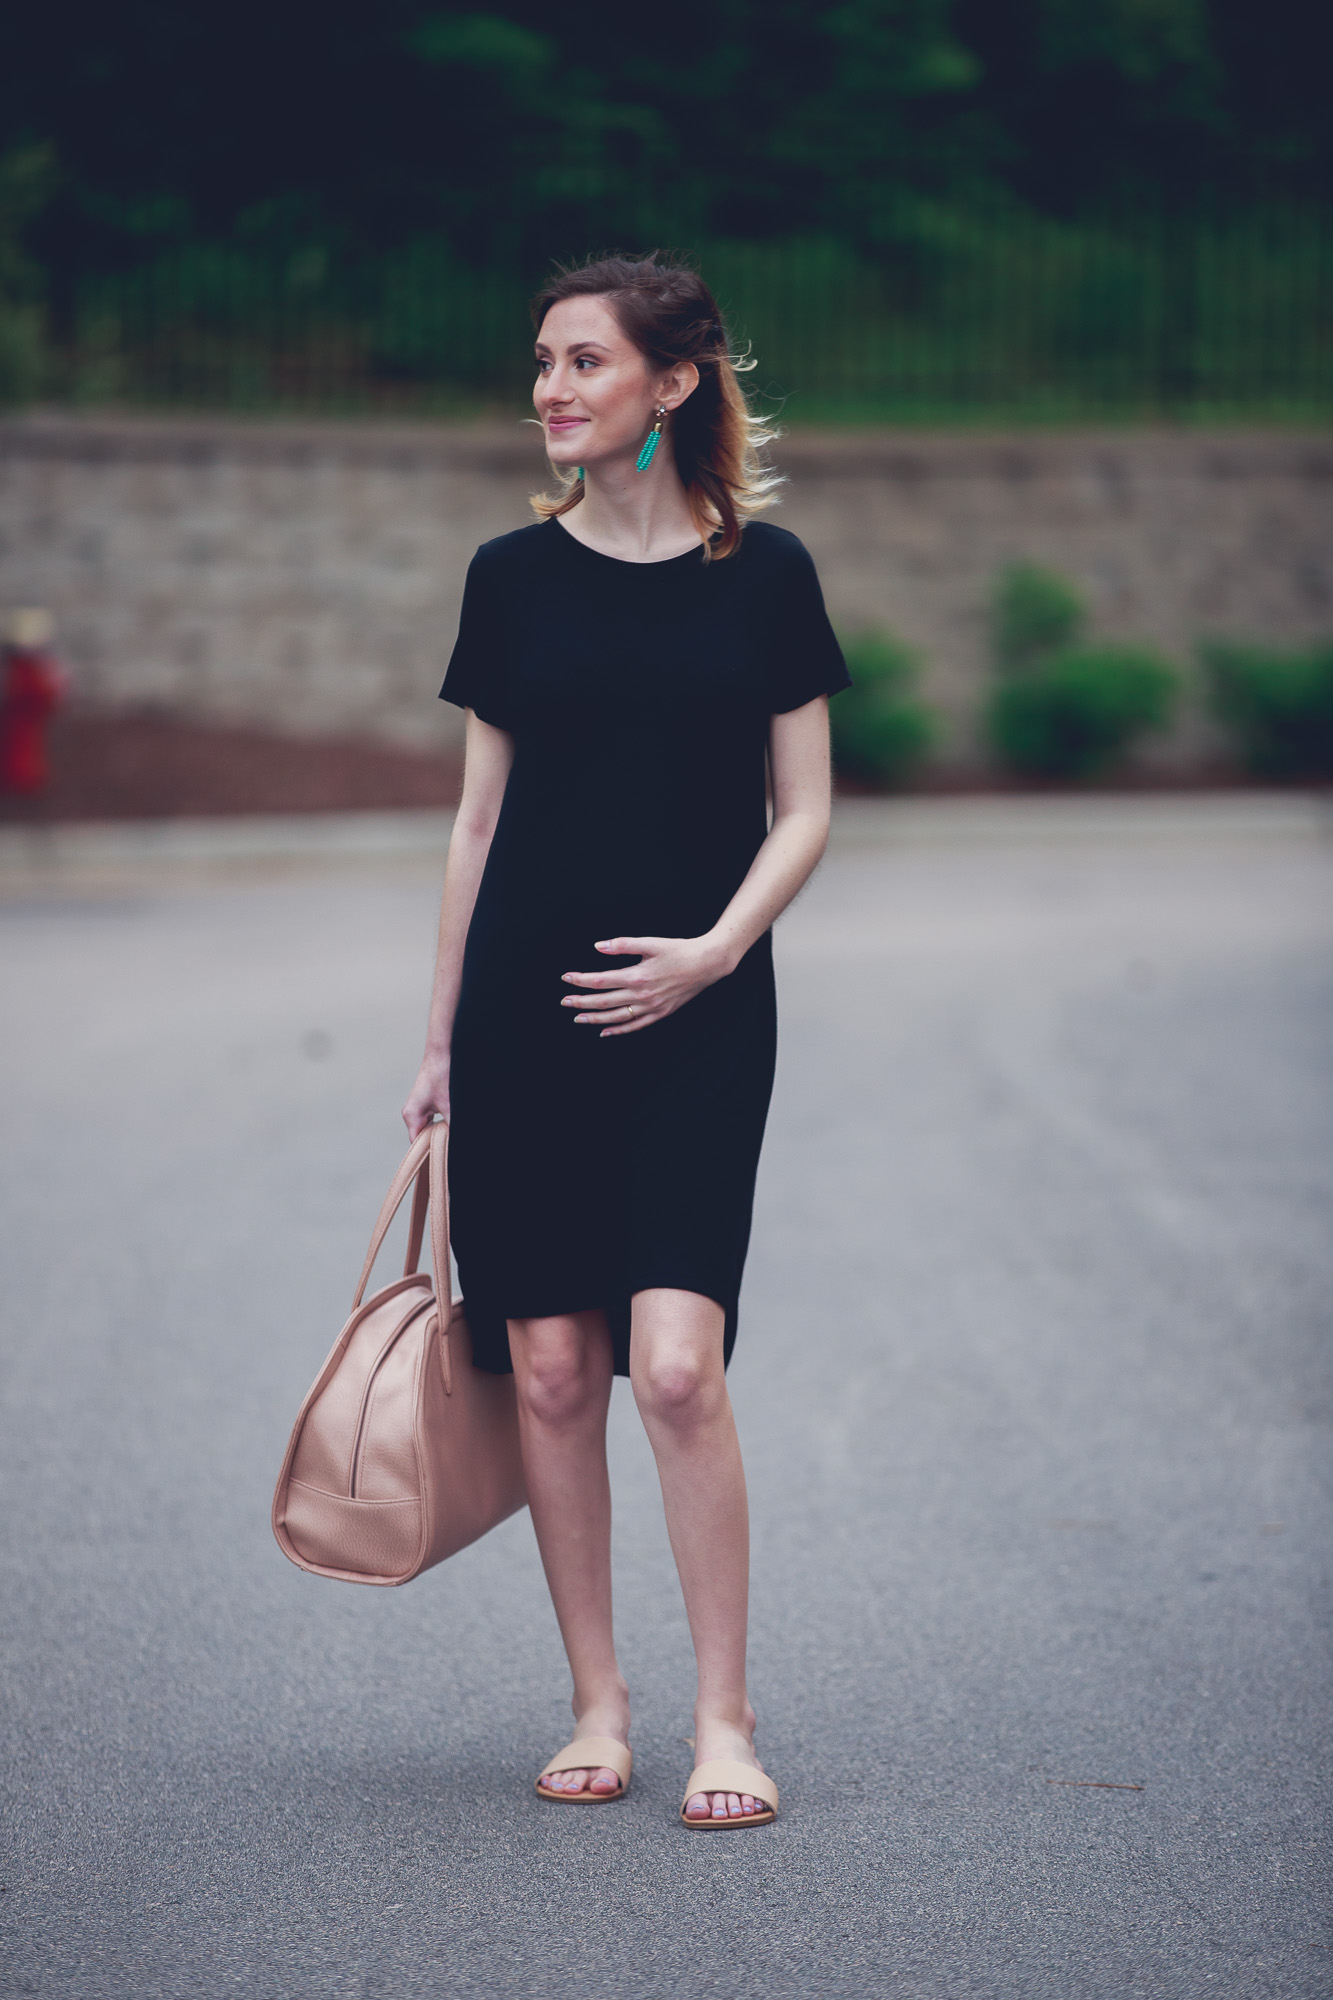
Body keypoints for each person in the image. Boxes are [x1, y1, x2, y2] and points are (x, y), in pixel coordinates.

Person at [403, 253, 848, 1828]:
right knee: (545, 1371)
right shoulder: (508, 580)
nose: (550, 390)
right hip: (527, 1018)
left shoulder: (767, 573)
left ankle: (725, 1718)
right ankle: (599, 1702)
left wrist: (717, 953)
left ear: (671, 383)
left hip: (703, 1013)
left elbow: (804, 811)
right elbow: (475, 827)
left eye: (583, 363)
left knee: (671, 1368)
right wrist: (444, 1044)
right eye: (541, 363)